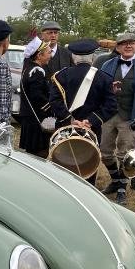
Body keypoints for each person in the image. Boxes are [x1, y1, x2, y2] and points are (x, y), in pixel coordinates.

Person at [48, 38, 117, 185]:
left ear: (73, 57)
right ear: (93, 57)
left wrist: (71, 120)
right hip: (91, 129)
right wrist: (91, 121)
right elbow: (111, 106)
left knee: (62, 164)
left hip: (65, 127)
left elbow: (54, 102)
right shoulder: (104, 78)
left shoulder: (60, 76)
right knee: (88, 164)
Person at [96, 33, 135, 201]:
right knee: (105, 152)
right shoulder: (107, 64)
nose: (128, 46)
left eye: (132, 43)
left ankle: (122, 188)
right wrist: (109, 90)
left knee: (126, 154)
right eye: (124, 43)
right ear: (118, 47)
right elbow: (99, 88)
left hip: (130, 116)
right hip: (108, 114)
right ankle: (115, 180)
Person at [18, 41, 55, 157]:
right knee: (39, 154)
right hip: (36, 119)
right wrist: (52, 108)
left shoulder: (29, 68)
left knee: (33, 153)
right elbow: (37, 97)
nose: (50, 56)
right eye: (48, 53)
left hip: (31, 118)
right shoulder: (36, 71)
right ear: (39, 55)